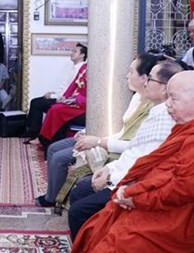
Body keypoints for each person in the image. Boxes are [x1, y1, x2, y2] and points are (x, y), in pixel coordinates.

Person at [72, 71, 194, 252]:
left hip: (183, 217)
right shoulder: (192, 125)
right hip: (163, 203)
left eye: (173, 99)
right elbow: (159, 166)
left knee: (118, 242)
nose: (167, 105)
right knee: (100, 226)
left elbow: (183, 189)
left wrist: (137, 199)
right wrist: (133, 188)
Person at [67, 60, 181, 237]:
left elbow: (145, 161)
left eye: (150, 79)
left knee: (78, 210)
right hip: (121, 170)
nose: (146, 83)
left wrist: (110, 176)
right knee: (79, 193)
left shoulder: (166, 118)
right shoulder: (153, 109)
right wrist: (108, 168)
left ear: (165, 88)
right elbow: (134, 148)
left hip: (130, 182)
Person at [35, 53, 160, 208]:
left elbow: (134, 144)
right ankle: (51, 196)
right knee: (54, 148)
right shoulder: (136, 98)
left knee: (61, 158)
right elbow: (123, 132)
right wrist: (95, 137)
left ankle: (54, 199)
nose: (126, 76)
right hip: (111, 142)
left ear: (144, 78)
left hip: (120, 153)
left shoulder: (153, 108)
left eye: (131, 72)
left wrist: (99, 142)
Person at [24, 43, 88, 143]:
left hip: (71, 100)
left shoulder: (82, 68)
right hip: (65, 96)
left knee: (37, 103)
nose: (72, 53)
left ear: (82, 55)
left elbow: (74, 89)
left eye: (75, 51)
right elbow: (68, 86)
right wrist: (54, 93)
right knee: (36, 102)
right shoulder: (74, 68)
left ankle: (36, 135)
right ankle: (34, 134)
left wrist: (57, 96)